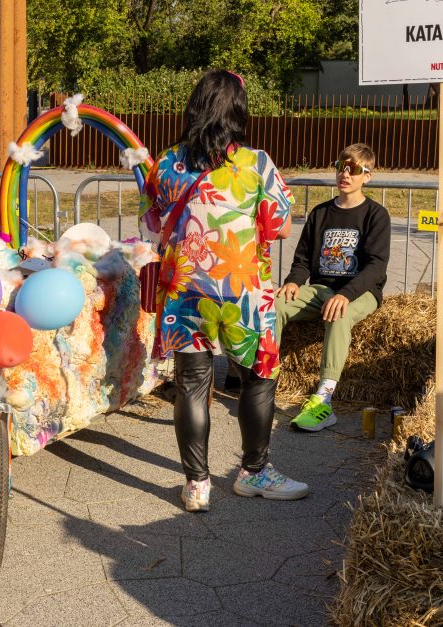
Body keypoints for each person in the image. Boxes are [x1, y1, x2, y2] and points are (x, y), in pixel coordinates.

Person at [139, 69, 308, 512]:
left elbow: (152, 223)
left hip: (185, 288)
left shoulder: (168, 162)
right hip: (243, 288)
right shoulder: (255, 164)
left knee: (192, 382)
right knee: (258, 377)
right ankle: (254, 473)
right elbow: (281, 226)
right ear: (237, 111)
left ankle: (197, 486)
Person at [276, 143, 390, 432]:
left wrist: (345, 294)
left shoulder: (375, 215)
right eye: (341, 166)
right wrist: (293, 281)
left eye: (352, 169)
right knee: (272, 305)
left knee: (339, 315)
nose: (345, 174)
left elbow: (376, 266)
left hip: (361, 293)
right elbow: (302, 259)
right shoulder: (320, 213)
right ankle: (264, 382)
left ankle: (323, 401)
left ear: (367, 176)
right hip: (321, 288)